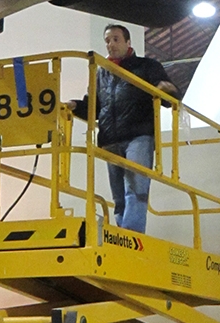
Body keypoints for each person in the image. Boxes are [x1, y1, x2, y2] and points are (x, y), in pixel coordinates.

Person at [70, 25, 177, 234]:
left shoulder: (147, 66)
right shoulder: (102, 73)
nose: (111, 44)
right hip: (111, 138)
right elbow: (93, 106)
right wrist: (74, 106)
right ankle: (122, 234)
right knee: (118, 195)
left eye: (116, 39)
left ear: (128, 43)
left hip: (139, 136)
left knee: (135, 188)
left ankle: (132, 234)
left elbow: (167, 94)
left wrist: (169, 90)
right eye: (108, 40)